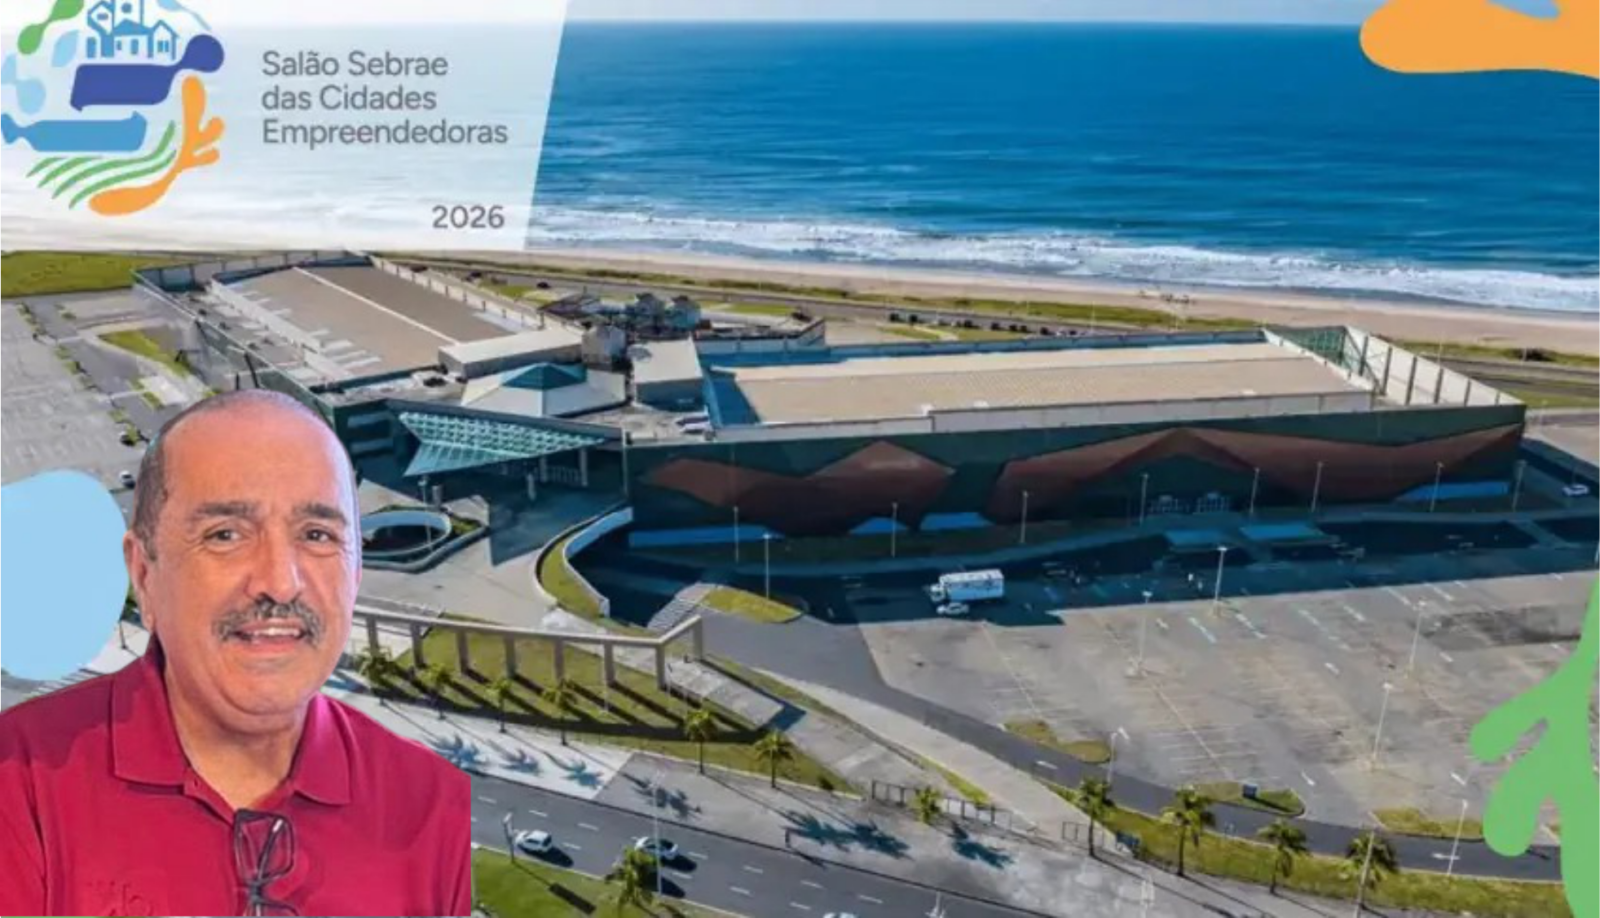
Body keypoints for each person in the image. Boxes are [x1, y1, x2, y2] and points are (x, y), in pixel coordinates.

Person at [0, 390, 471, 917]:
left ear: (356, 572)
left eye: (317, 534)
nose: (280, 582)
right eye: (225, 535)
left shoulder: (430, 802)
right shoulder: (19, 784)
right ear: (145, 575)